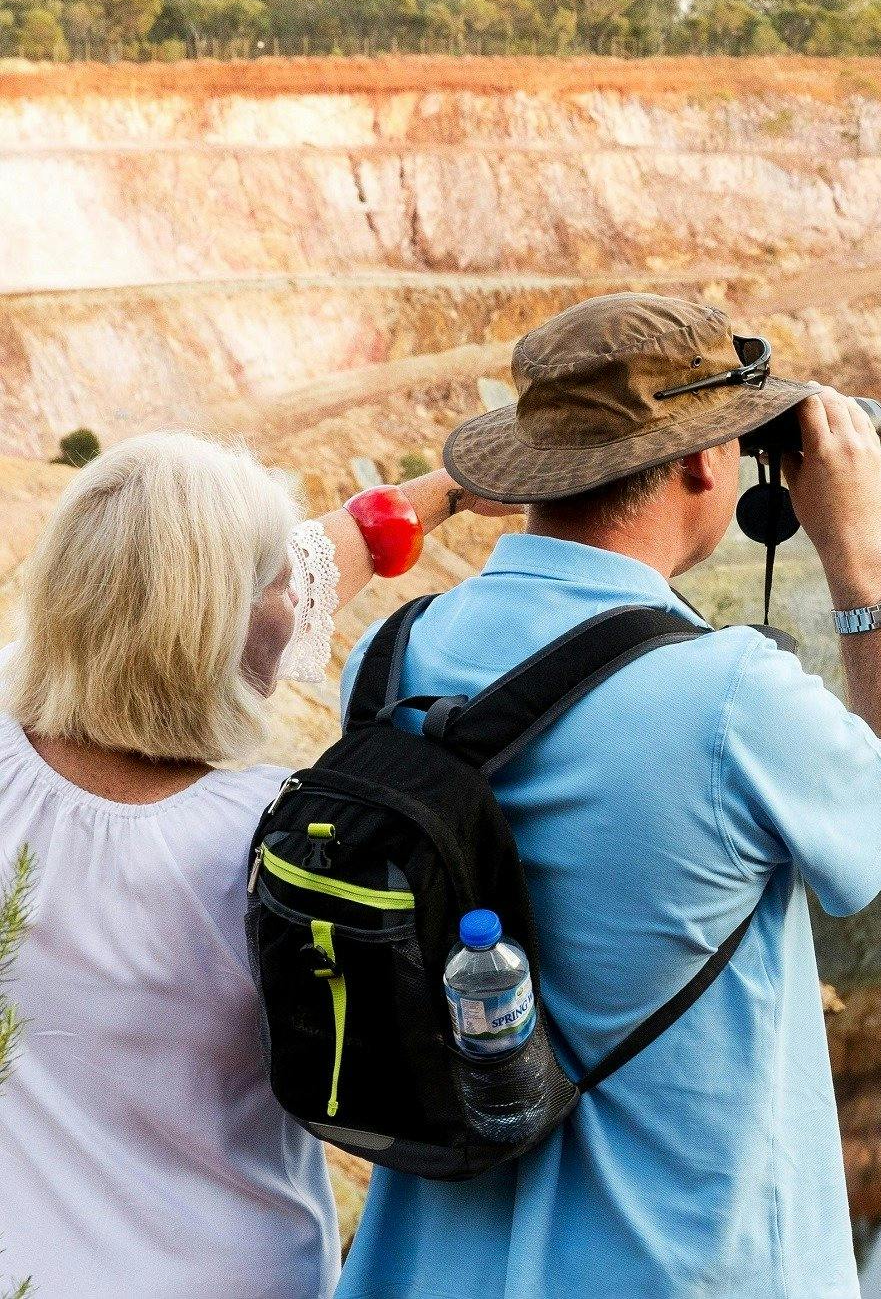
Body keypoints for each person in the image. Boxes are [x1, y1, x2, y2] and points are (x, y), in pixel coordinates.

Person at [334, 293, 881, 1299]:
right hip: (677, 1272)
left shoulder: (389, 657)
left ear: (535, 467)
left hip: (429, 1271)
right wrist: (860, 563)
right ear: (705, 461)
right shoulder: (731, 700)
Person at [0, 433, 514, 1299]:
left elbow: (205, 578)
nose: (303, 596)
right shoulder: (282, 842)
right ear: (209, 629)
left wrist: (447, 491)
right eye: (278, 582)